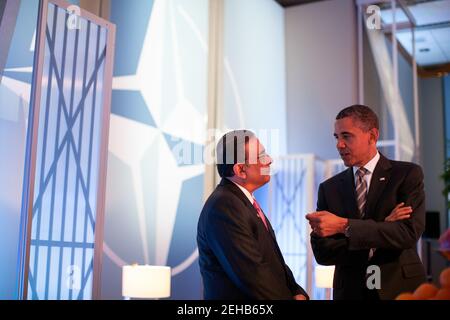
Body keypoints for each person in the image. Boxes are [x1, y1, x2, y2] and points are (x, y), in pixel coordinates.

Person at [306, 105, 426, 300]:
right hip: (351, 291)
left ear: (372, 136)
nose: (339, 145)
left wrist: (343, 226)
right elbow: (323, 253)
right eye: (337, 137)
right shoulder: (329, 188)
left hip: (399, 288)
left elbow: (407, 234)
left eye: (346, 136)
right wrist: (384, 227)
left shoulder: (406, 175)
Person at [197, 130, 308, 300]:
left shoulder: (241, 201)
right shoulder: (224, 206)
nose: (269, 160)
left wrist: (298, 292)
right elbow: (253, 274)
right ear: (241, 170)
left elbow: (274, 262)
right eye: (262, 156)